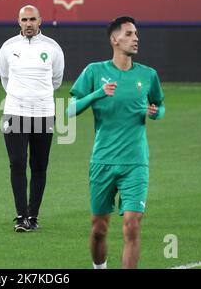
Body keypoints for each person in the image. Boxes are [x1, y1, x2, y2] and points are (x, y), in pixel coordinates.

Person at [67, 16, 165, 269]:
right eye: (130, 34)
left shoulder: (148, 75)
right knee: (99, 228)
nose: (136, 39)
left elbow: (160, 105)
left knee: (132, 223)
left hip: (135, 163)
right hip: (103, 161)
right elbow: (69, 110)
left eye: (136, 34)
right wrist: (98, 93)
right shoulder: (94, 71)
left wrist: (156, 112)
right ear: (114, 39)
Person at [0, 5, 65, 232]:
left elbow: (56, 79)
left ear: (40, 21)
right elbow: (5, 78)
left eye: (32, 19)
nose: (28, 23)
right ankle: (21, 216)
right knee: (16, 163)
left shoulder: (53, 48)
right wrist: (22, 98)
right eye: (24, 19)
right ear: (18, 21)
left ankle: (33, 217)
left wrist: (38, 98)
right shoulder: (8, 47)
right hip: (15, 111)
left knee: (39, 166)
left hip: (44, 113)